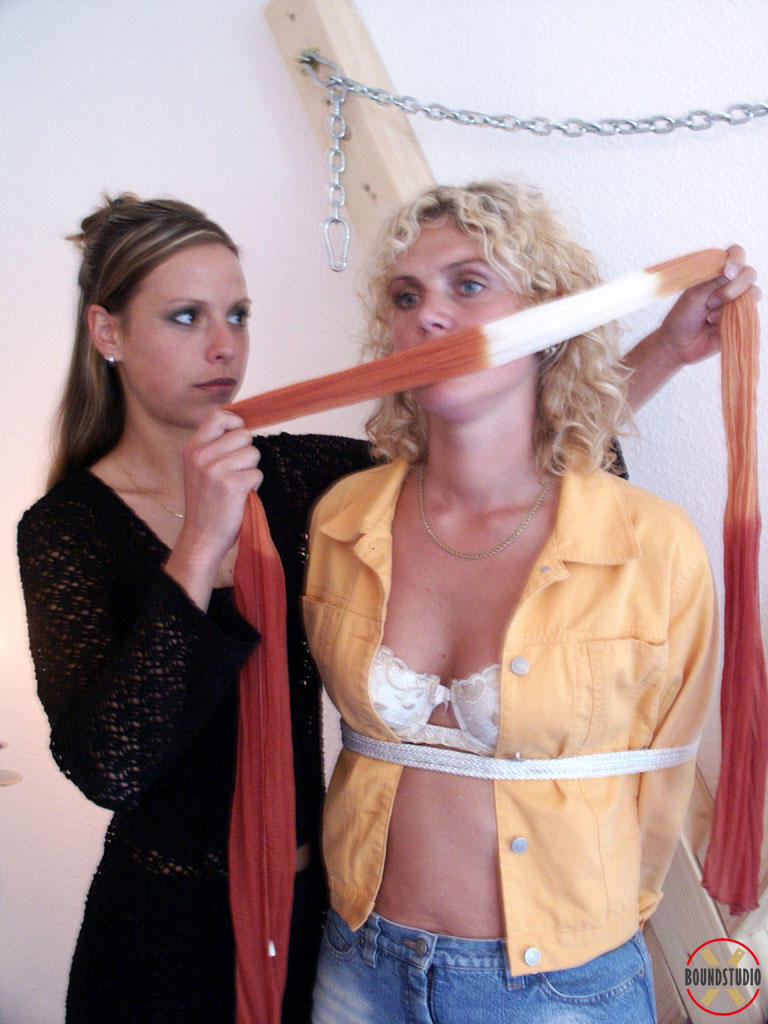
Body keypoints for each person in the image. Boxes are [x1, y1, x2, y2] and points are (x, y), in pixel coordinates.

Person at [17, 190, 755, 1024]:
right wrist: (196, 550)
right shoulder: (68, 527)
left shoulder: (290, 479)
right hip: (163, 935)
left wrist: (664, 350)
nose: (223, 346)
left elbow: (495, 452)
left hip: (319, 923)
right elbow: (110, 766)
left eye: (238, 315)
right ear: (108, 333)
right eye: (186, 317)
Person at [302, 181, 759, 1024]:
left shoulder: (650, 545)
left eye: (469, 285)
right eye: (406, 296)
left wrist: (600, 920)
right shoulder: (341, 520)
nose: (429, 316)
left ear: (549, 318)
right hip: (357, 965)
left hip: (558, 991)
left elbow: (662, 781)